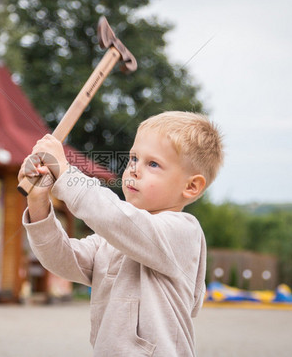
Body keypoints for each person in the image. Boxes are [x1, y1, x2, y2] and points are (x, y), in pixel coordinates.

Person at [19, 111, 224, 356]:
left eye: (153, 164)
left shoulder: (182, 232)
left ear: (191, 186)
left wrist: (65, 173)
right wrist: (38, 201)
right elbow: (61, 258)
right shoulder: (110, 240)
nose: (135, 170)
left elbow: (120, 220)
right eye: (134, 158)